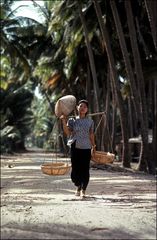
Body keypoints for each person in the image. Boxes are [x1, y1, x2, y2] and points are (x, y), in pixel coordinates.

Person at [60, 99, 96, 198]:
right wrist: (64, 121)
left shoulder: (90, 121)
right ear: (77, 108)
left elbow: (91, 134)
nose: (82, 108)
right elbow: (68, 133)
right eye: (81, 106)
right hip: (75, 146)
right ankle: (78, 186)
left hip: (86, 147)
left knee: (85, 169)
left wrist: (94, 146)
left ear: (87, 109)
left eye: (85, 106)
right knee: (75, 168)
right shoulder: (72, 120)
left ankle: (83, 189)